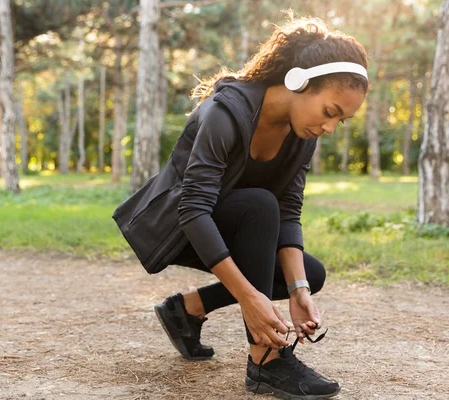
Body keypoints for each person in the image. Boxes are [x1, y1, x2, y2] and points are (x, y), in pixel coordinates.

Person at [113, 12, 368, 400]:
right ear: (299, 80)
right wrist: (250, 299)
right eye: (330, 112)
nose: (330, 127)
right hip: (178, 228)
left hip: (238, 223)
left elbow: (289, 208)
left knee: (309, 273)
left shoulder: (303, 134)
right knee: (259, 205)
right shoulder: (225, 112)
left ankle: (186, 309)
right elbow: (193, 208)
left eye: (341, 121)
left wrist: (298, 291)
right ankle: (266, 362)